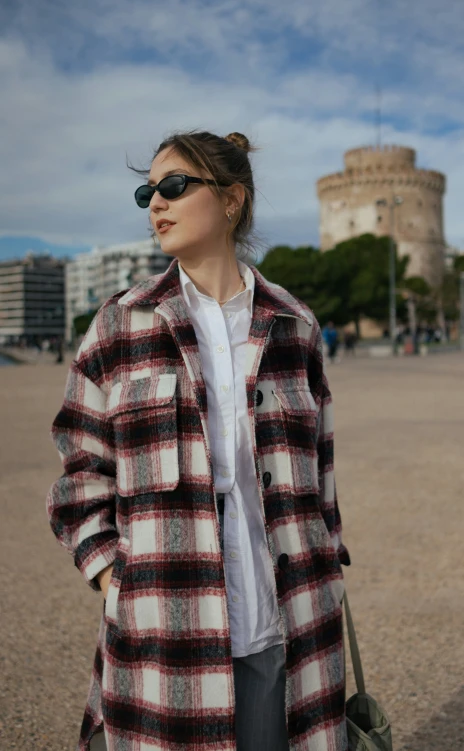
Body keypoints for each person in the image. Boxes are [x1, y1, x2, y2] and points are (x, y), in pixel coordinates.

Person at [46, 130, 350, 751]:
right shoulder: (116, 326)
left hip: (285, 631)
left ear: (232, 199)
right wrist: (115, 581)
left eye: (174, 186)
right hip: (164, 644)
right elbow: (81, 475)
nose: (155, 203)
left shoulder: (295, 325)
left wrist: (330, 569)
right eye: (146, 192)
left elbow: (321, 477)